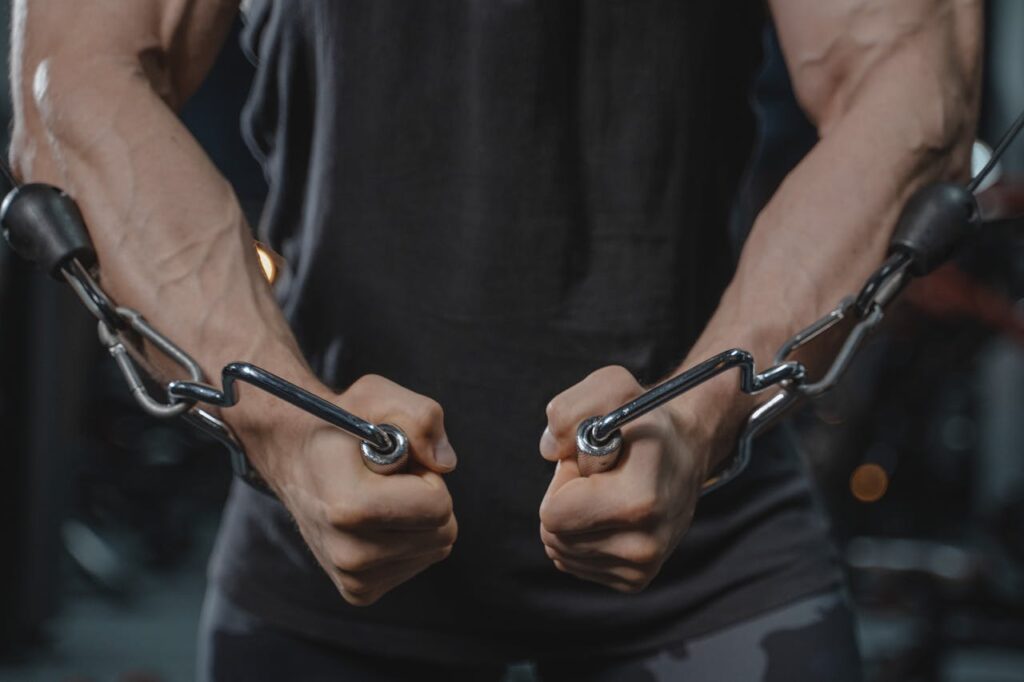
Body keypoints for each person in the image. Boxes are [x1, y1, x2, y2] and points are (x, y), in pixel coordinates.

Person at [11, 1, 980, 679]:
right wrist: (282, 428)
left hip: (712, 545)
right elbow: (75, 82)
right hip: (319, 551)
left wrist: (701, 416)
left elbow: (910, 80)